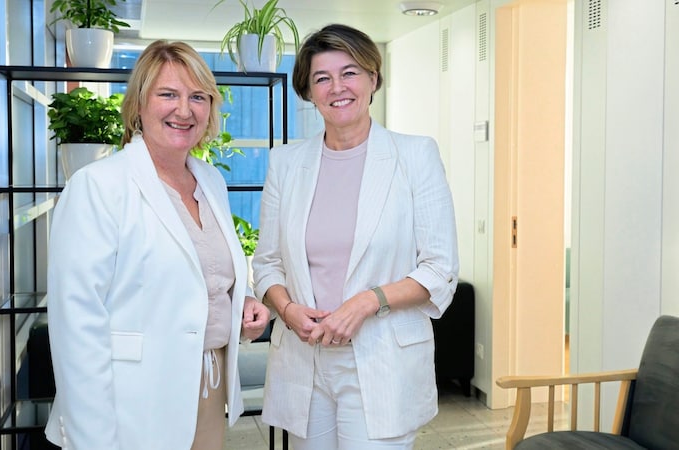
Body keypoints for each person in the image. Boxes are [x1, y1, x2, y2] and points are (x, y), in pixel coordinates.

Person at [44, 40, 270, 450]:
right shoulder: (98, 186)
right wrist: (93, 438)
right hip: (130, 403)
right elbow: (76, 324)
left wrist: (246, 300)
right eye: (168, 94)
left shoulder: (210, 181)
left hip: (207, 387)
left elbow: (208, 272)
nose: (184, 110)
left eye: (197, 97)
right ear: (138, 107)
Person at [251, 24, 459, 450]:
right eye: (321, 78)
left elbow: (440, 269)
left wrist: (366, 302)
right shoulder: (286, 164)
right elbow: (266, 262)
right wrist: (287, 309)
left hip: (382, 359)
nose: (337, 87)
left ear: (373, 79)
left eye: (350, 72)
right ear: (308, 91)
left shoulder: (415, 155)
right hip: (305, 361)